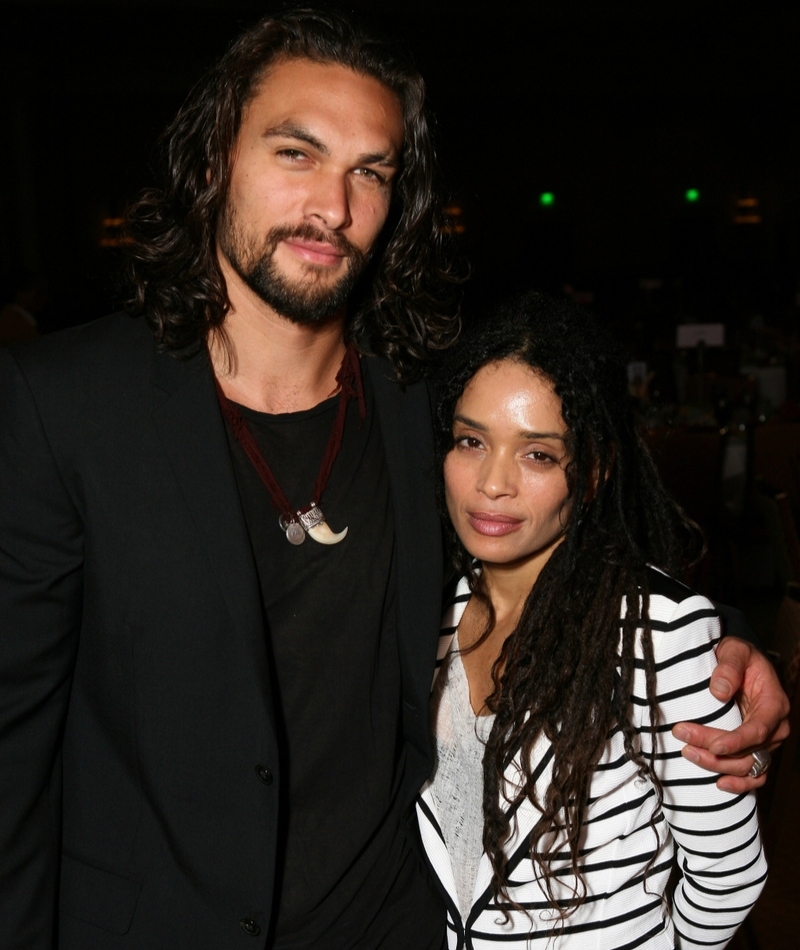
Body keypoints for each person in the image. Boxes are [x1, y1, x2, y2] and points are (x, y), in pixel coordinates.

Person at [0, 8, 787, 949]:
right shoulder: (62, 405)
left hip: (388, 923)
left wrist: (725, 647)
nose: (332, 206)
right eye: (297, 153)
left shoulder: (431, 402)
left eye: (370, 172)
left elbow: (579, 537)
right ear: (213, 162)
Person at [417, 293, 769, 948]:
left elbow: (728, 876)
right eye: (471, 440)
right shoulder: (431, 610)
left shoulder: (654, 629)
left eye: (538, 455)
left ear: (597, 470)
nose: (493, 483)